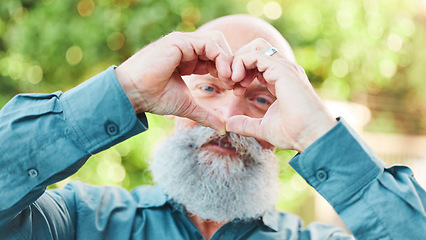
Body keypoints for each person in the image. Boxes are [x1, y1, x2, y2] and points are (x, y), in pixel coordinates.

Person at [0, 14, 424, 240]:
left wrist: (318, 134)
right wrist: (125, 88)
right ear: (170, 103)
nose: (226, 118)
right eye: (208, 88)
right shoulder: (79, 222)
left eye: (260, 99)